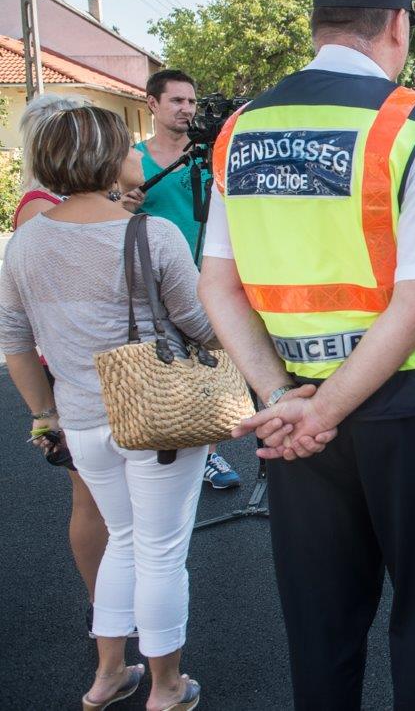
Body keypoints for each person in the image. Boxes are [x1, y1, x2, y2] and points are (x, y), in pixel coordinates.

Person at [198, 0, 415, 710]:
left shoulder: (241, 128)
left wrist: (286, 402)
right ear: (396, 26)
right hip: (413, 407)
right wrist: (324, 411)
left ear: (318, 27)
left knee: (321, 623)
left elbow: (218, 286)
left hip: (291, 418)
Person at [0, 104, 211, 711]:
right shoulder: (150, 234)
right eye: (126, 147)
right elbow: (198, 324)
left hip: (83, 421)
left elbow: (15, 343)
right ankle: (167, 686)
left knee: (122, 540)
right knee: (162, 550)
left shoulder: (27, 242)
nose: (134, 156)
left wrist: (45, 415)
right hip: (157, 416)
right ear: (103, 157)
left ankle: (108, 676)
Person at [11, 95, 151, 639]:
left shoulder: (57, 204)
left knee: (111, 502)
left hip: (85, 370)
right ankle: (107, 610)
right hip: (82, 371)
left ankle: (114, 615)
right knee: (93, 499)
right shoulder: (41, 210)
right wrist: (44, 414)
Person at [138, 68, 241, 490]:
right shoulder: (132, 160)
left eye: (192, 102)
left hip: (207, 276)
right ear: (153, 104)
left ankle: (208, 455)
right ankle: (162, 447)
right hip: (152, 280)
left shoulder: (212, 155)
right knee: (165, 365)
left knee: (212, 366)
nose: (187, 109)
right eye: (177, 101)